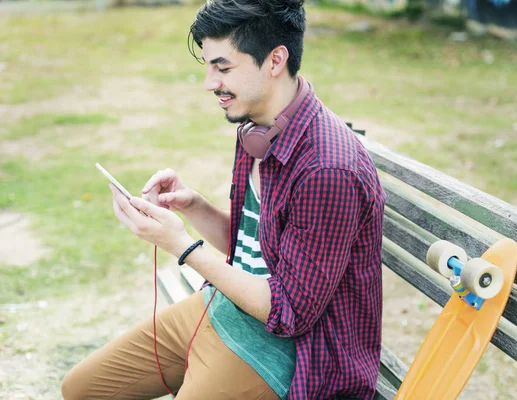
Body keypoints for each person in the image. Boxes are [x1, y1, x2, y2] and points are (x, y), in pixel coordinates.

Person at [61, 0, 386, 398]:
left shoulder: (327, 169)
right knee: (82, 389)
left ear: (275, 60)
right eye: (209, 67)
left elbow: (289, 314)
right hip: (226, 309)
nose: (209, 82)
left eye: (223, 67)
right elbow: (258, 244)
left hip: (294, 354)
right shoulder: (257, 130)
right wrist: (194, 206)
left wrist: (181, 245)